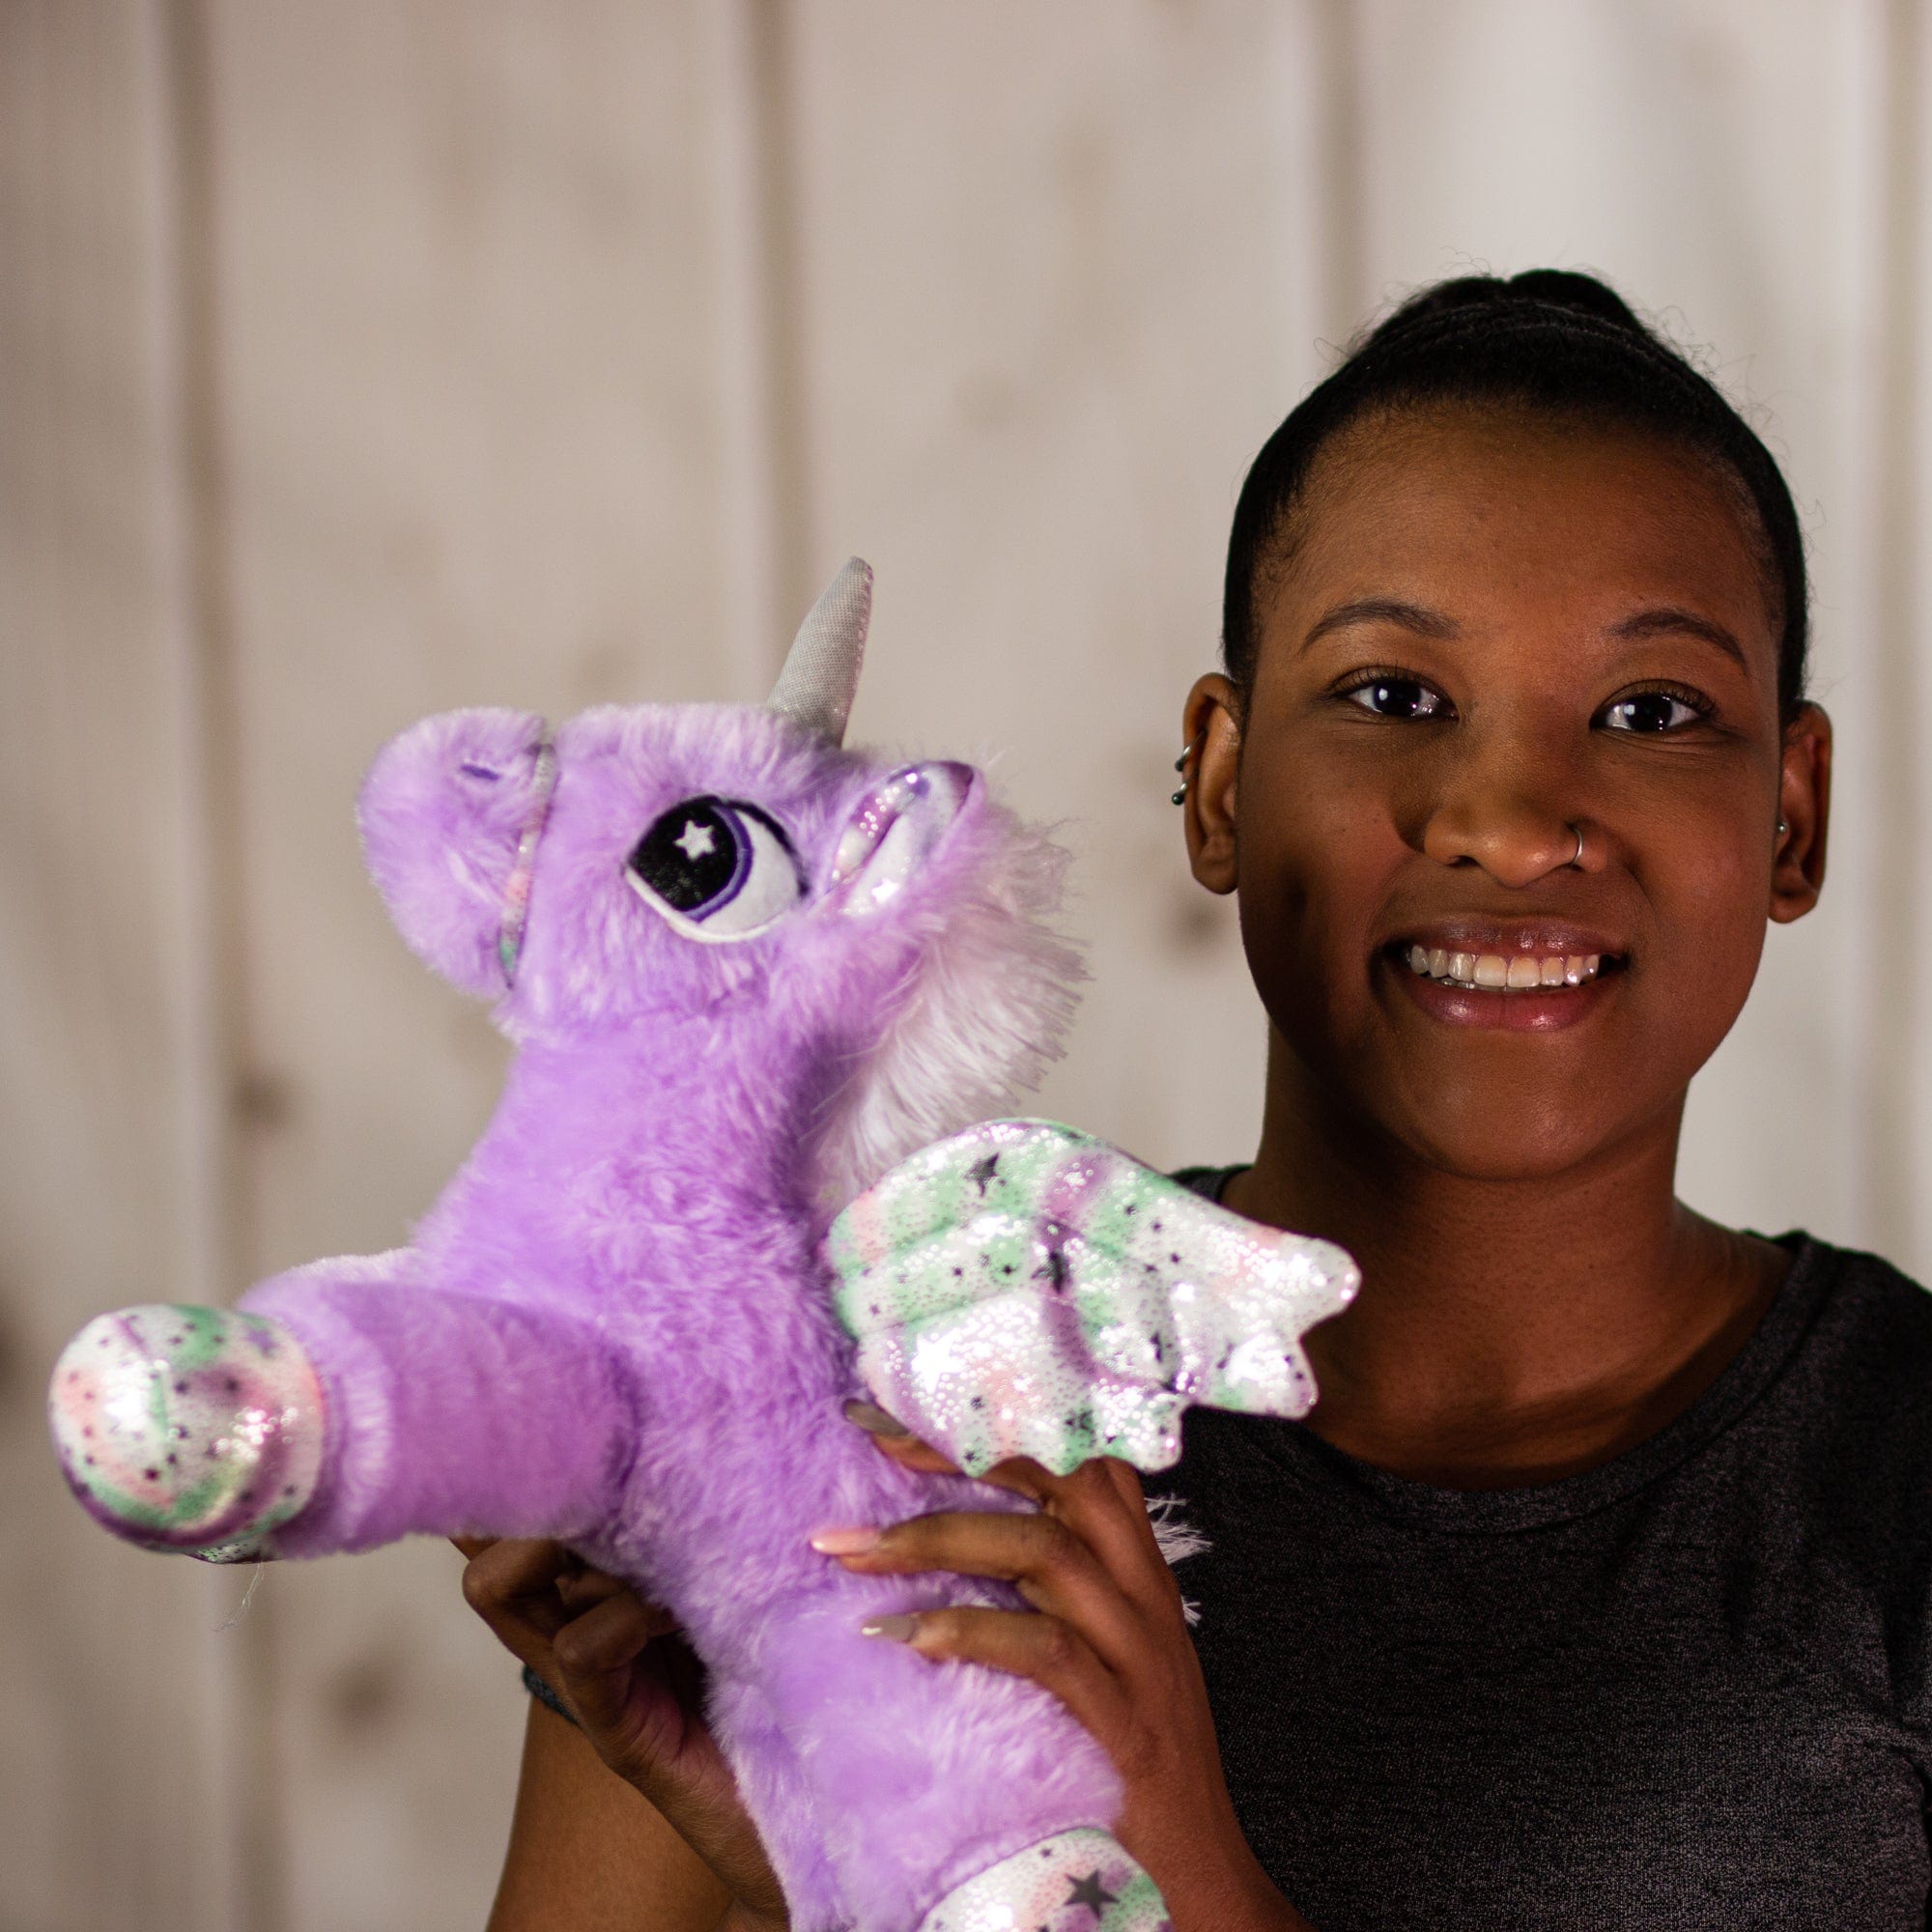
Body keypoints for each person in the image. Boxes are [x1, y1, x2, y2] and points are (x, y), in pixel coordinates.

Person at [455, 271, 1932, 1931]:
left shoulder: (1900, 1474)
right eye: (1394, 696)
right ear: (1223, 783)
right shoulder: (891, 1424)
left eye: (1650, 712)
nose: (1515, 824)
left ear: (1792, 813)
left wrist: (1173, 1876)